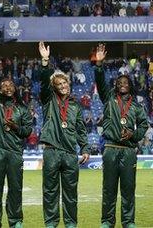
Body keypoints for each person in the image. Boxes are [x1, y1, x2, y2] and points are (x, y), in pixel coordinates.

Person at [93, 44, 149, 228]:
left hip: (129, 151)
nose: (122, 84)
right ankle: (107, 221)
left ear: (130, 86)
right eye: (119, 83)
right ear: (115, 86)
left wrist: (134, 135)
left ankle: (128, 222)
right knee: (108, 189)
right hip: (110, 149)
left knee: (128, 190)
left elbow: (143, 125)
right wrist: (99, 65)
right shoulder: (109, 98)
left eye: (125, 82)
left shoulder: (136, 107)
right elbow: (100, 83)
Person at [38, 42, 90, 228]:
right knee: (50, 192)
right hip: (51, 151)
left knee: (70, 193)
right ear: (54, 87)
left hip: (69, 153)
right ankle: (51, 224)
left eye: (64, 82)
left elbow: (80, 130)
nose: (62, 85)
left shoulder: (75, 106)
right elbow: (44, 82)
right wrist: (45, 61)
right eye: (58, 84)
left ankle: (70, 224)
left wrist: (84, 147)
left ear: (69, 83)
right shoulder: (47, 100)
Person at [0, 53, 33, 228]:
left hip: (15, 152)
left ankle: (15, 221)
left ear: (15, 88)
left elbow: (28, 132)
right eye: (3, 85)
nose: (7, 87)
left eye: (10, 85)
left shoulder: (23, 109)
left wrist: (16, 127)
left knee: (15, 189)